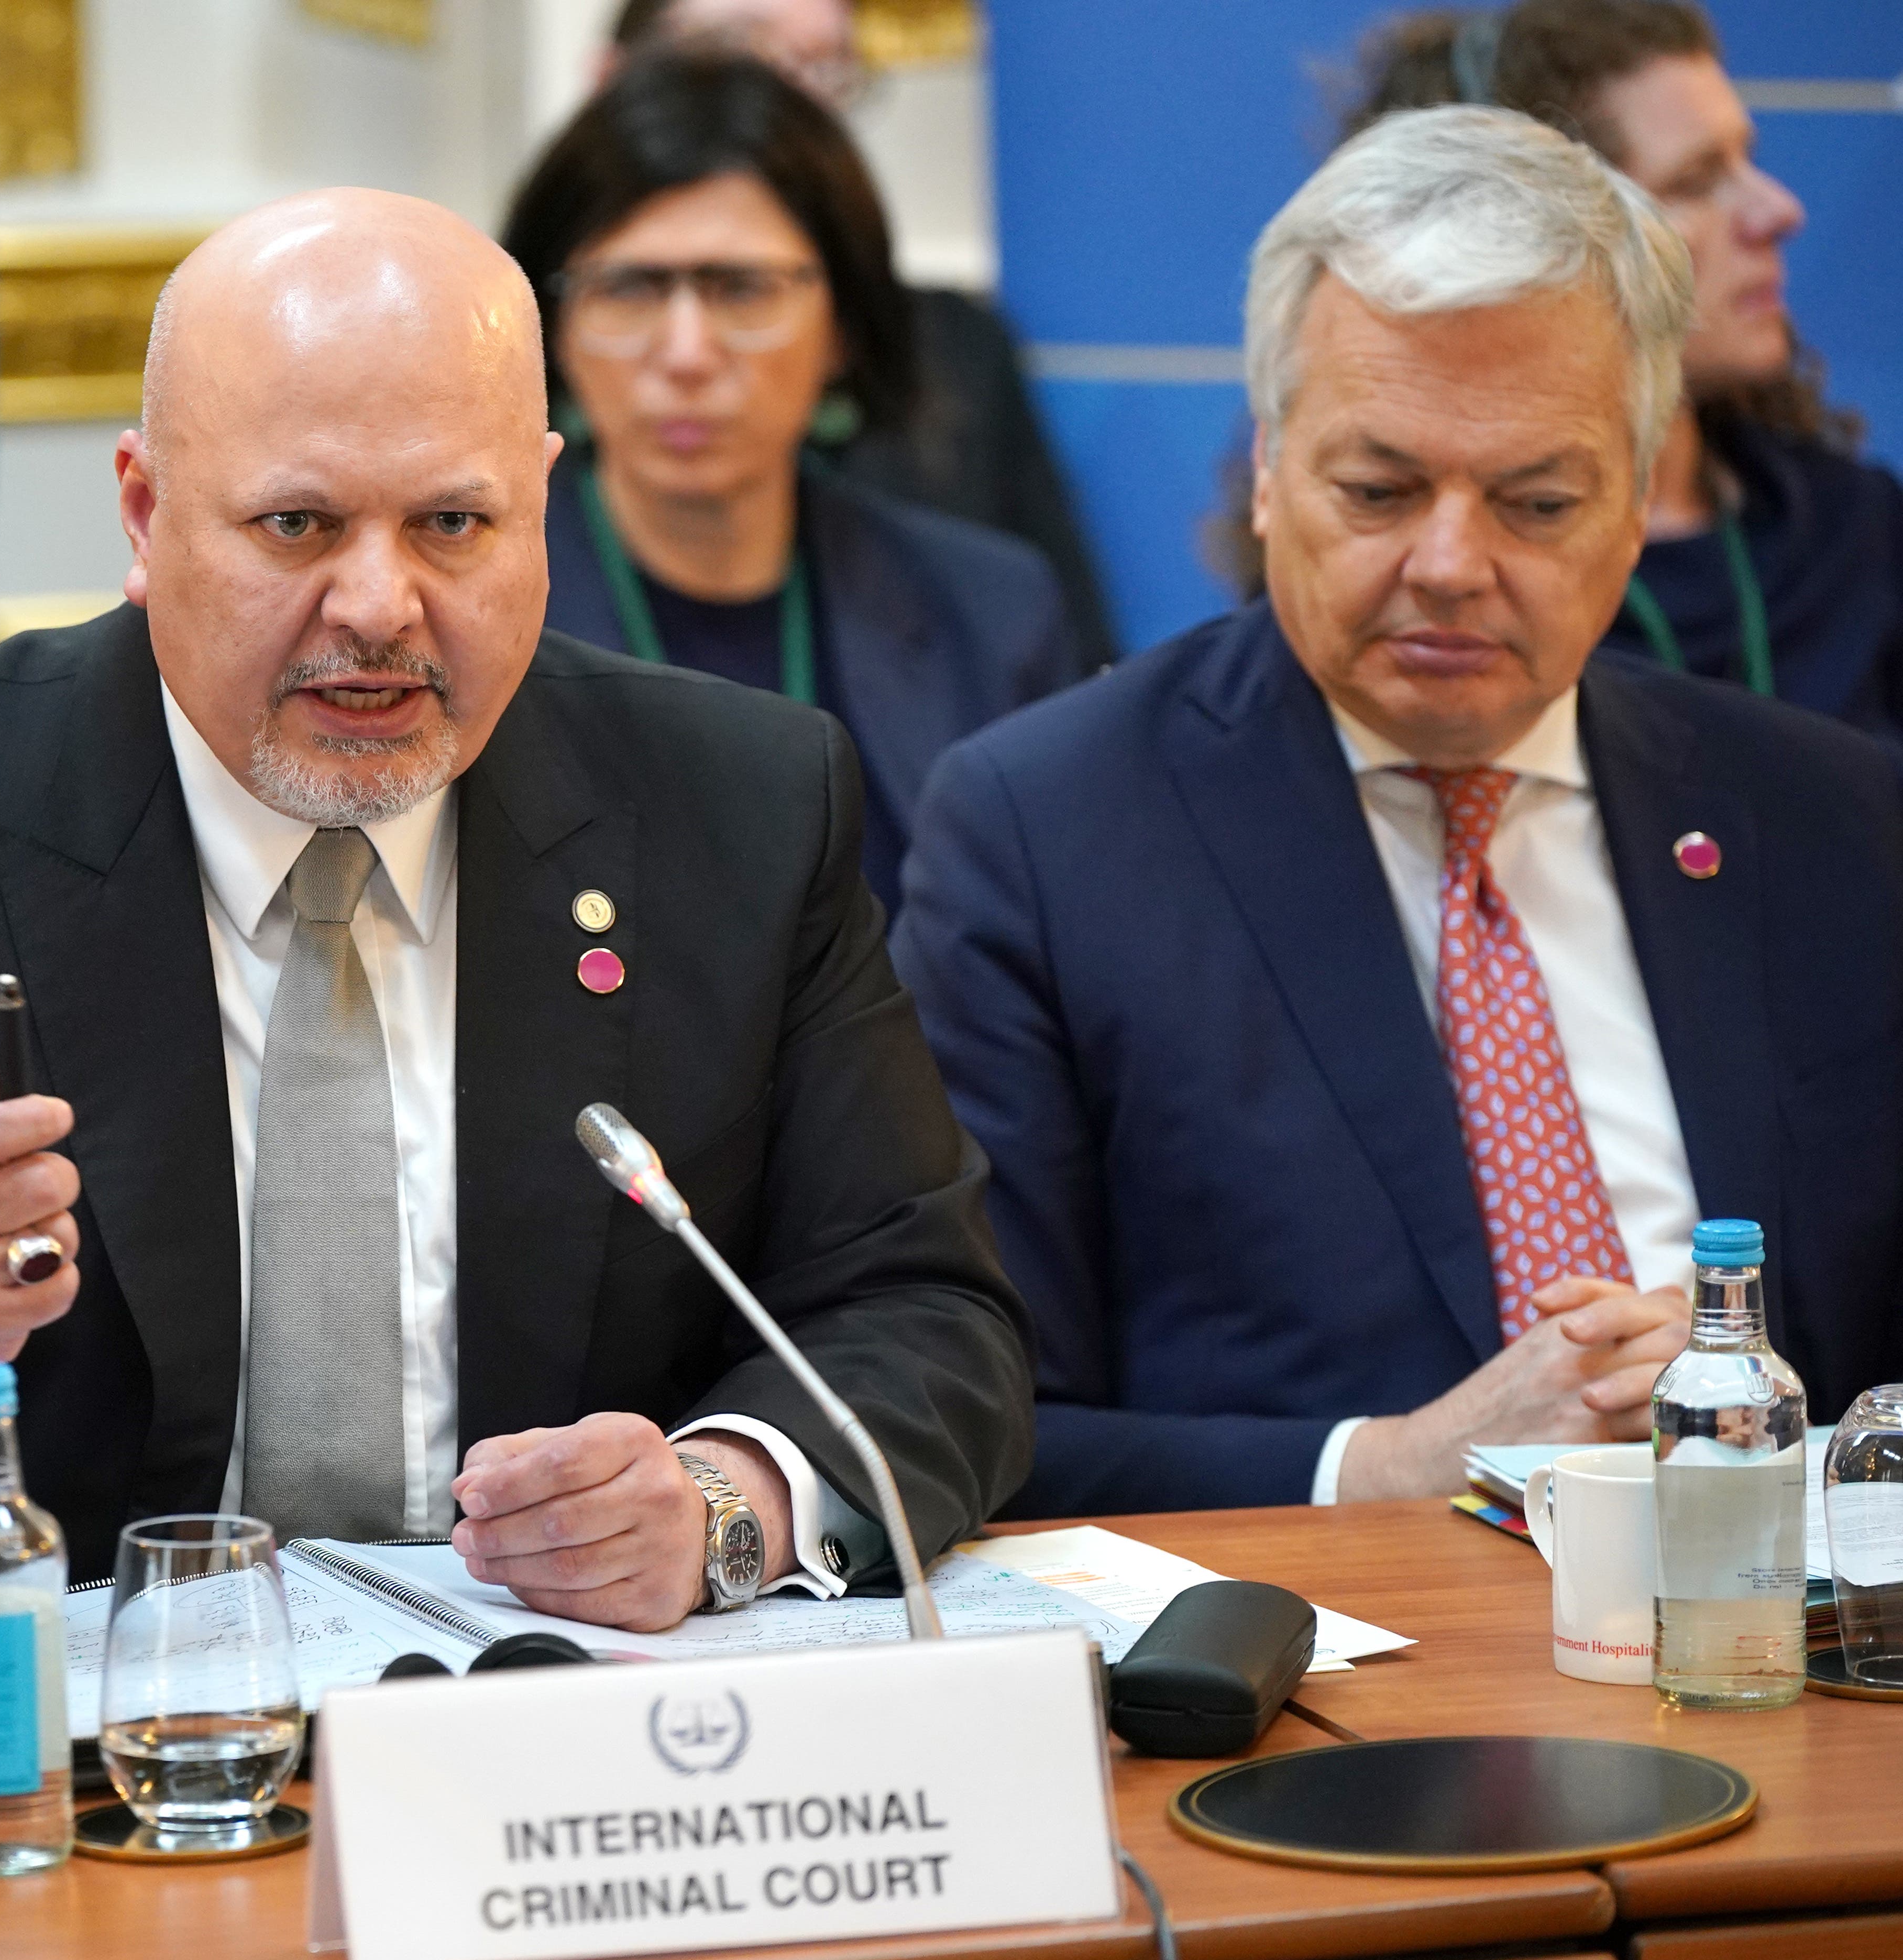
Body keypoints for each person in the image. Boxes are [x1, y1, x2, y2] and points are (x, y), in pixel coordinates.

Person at [0, 188, 1033, 1636]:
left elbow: (928, 1321)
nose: (379, 605)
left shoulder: (743, 805)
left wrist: (720, 1504)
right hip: (28, 1762)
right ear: (142, 511)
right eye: (300, 527)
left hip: (553, 1743)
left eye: (453, 526)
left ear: (542, 511)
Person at [892, 106, 1903, 1517]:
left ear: (1638, 505)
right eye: (1377, 490)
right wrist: (1388, 1467)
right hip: (1326, 1678)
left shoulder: (1830, 821)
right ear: (1264, 474)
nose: (1449, 564)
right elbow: (961, 1419)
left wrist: (1780, 1428)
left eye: (1537, 503)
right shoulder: (1047, 836)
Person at [505, 50, 1077, 913]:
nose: (688, 353)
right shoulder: (465, 615)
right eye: (629, 288)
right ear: (551, 326)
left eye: (742, 289)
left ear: (843, 324)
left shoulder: (992, 617)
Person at [1335, 2, 1902, 746]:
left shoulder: (1853, 526)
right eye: (1698, 181)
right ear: (1527, 243)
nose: (1779, 211)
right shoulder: (1436, 602)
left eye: (1746, 161)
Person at [606, 0, 1118, 670]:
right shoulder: (501, 348)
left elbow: (1071, 672)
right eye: (741, 47)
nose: (792, 95)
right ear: (610, 76)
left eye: (823, 63)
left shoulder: (955, 353)